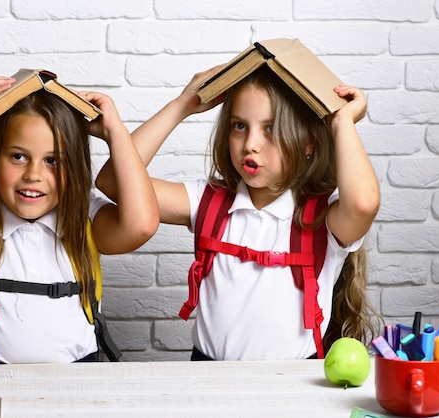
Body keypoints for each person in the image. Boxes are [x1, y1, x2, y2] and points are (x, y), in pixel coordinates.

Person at [96, 64, 381, 360]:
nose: (250, 145)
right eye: (239, 126)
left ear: (309, 141)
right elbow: (112, 181)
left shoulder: (324, 218)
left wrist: (342, 121)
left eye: (270, 129)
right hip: (206, 377)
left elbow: (362, 204)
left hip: (291, 387)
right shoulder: (207, 200)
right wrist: (181, 107)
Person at [0, 75, 159, 363]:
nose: (34, 175)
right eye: (18, 157)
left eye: (53, 161)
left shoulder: (83, 216)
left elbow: (142, 224)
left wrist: (116, 132)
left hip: (77, 379)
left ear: (74, 168)